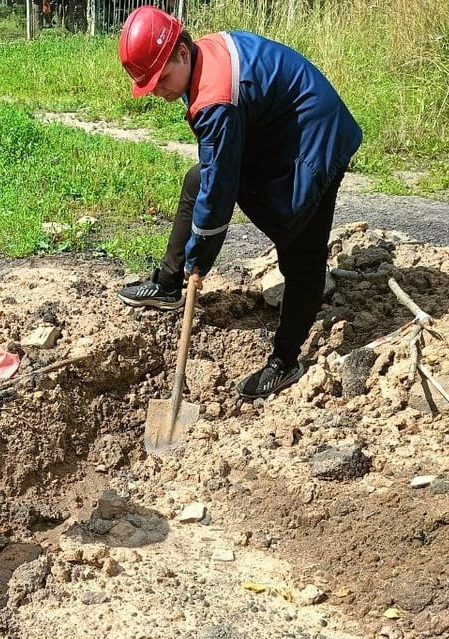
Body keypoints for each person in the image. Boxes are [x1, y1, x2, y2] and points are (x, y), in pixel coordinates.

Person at [116, 6, 362, 400]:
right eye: (150, 84)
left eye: (161, 78)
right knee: (197, 179)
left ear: (182, 51)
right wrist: (195, 259)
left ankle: (285, 360)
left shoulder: (215, 98)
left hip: (319, 133)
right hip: (279, 126)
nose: (159, 89)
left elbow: (220, 195)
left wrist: (202, 260)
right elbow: (214, 178)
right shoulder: (199, 63)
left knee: (301, 247)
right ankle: (167, 284)